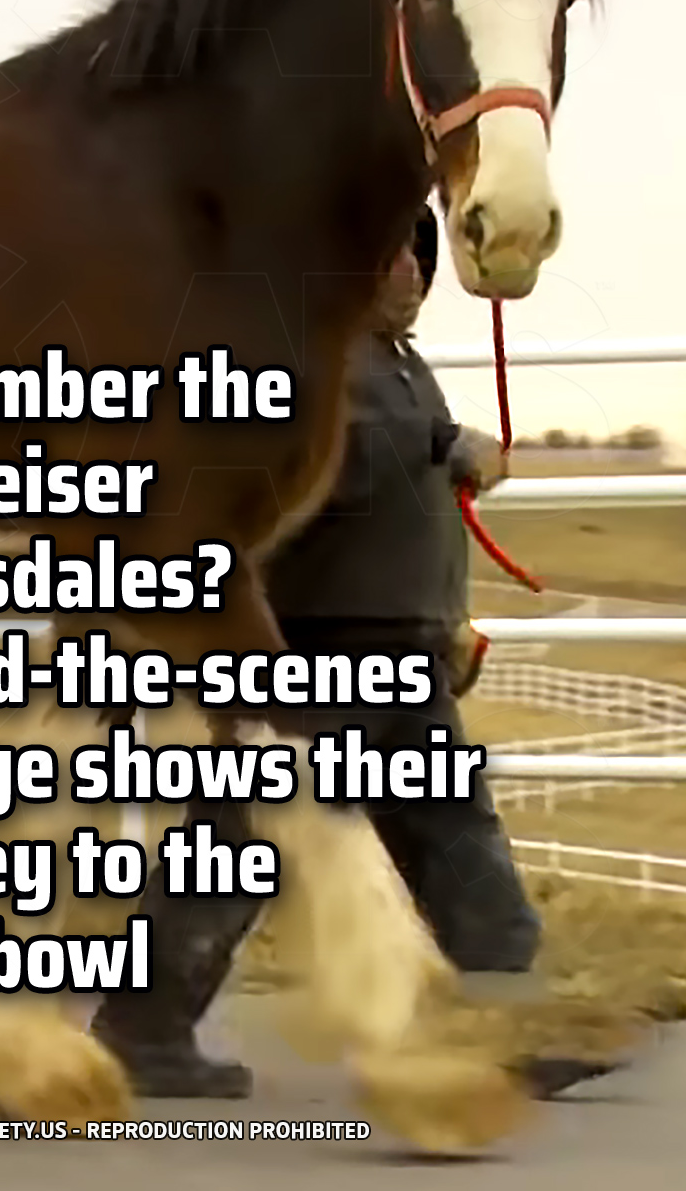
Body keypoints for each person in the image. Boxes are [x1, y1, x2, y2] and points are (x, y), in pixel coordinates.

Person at [90, 207, 611, 1102]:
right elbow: (317, 467)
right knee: (252, 844)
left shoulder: (402, 367)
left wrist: (442, 618)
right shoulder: (308, 358)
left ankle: (519, 1019)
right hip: (316, 650)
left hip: (390, 648)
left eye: (416, 255)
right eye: (386, 257)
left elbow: (413, 512)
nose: (409, 273)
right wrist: (439, 445)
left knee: (449, 842)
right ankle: (142, 1028)